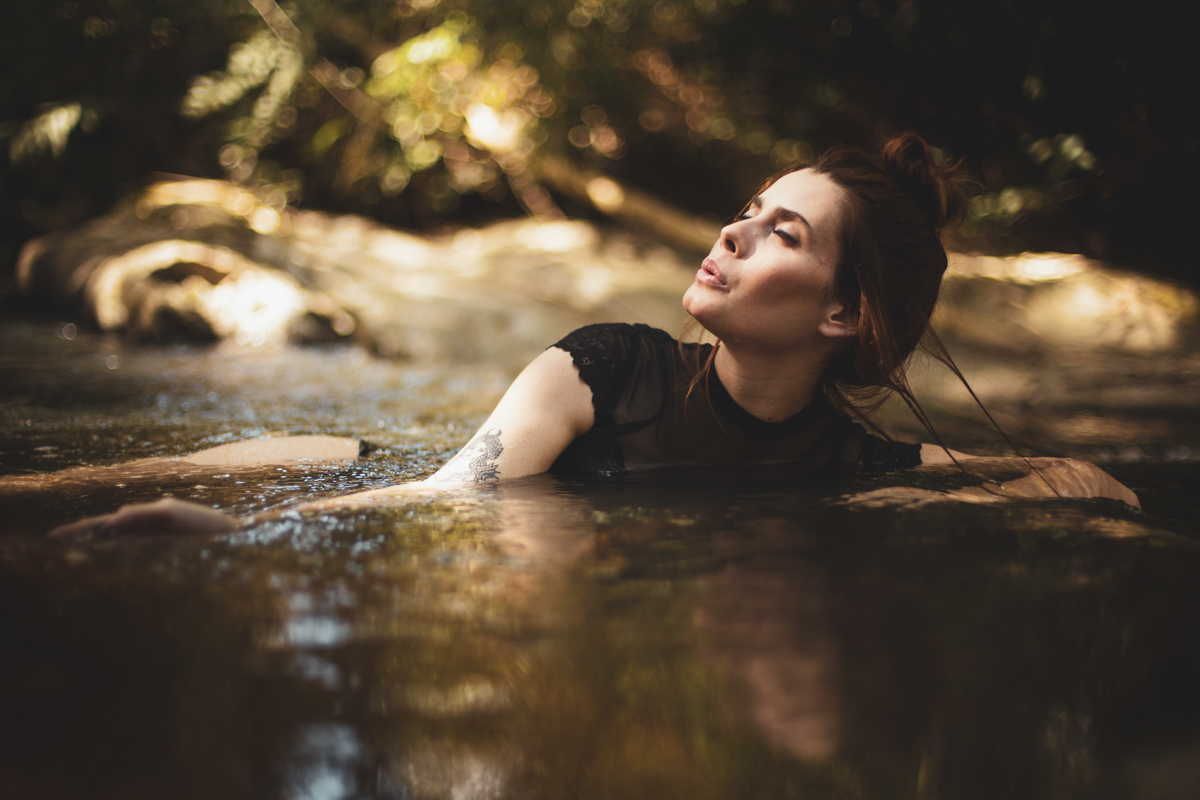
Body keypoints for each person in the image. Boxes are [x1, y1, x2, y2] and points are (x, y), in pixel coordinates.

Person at [45, 133, 1138, 540]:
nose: (731, 231)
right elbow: (449, 498)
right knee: (60, 489)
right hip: (345, 467)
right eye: (746, 210)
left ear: (844, 314)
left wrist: (901, 497)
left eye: (781, 232)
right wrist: (232, 532)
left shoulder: (859, 465)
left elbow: (1089, 480)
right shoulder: (610, 366)